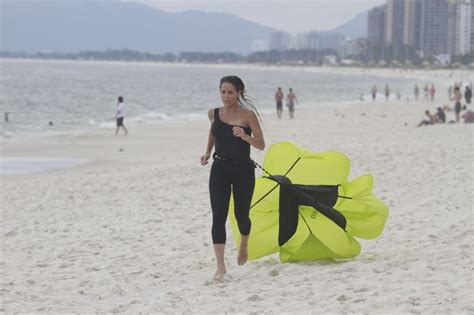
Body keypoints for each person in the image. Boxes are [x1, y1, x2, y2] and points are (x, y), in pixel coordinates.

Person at [200, 75, 265, 282]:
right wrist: (207, 152)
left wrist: (245, 136)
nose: (226, 96)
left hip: (243, 171)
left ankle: (244, 244)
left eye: (230, 92)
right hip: (219, 168)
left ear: (238, 93)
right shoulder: (213, 113)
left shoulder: (248, 115)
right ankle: (220, 267)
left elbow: (261, 144)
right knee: (218, 215)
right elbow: (213, 133)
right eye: (223, 92)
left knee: (241, 215)